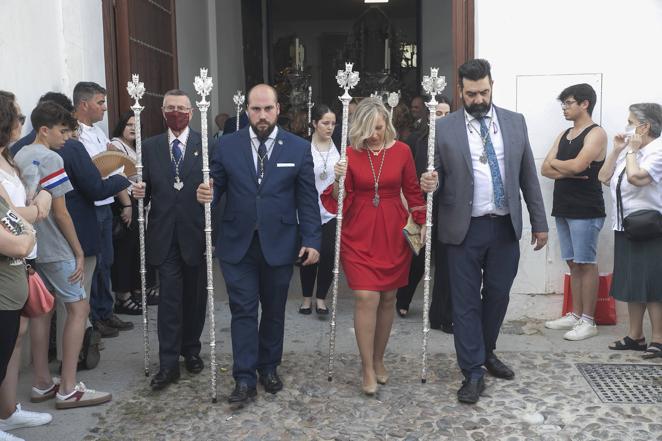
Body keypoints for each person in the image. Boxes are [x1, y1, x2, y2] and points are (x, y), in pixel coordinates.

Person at [420, 59, 548, 404]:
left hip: (504, 227)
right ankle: (473, 371)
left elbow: (527, 177)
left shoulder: (514, 122)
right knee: (464, 304)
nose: (479, 99)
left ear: (492, 86)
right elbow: (434, 177)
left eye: (484, 92)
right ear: (460, 91)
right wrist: (428, 182)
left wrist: (539, 222)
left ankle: (486, 350)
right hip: (463, 230)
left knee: (497, 295)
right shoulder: (444, 128)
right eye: (472, 94)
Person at [196, 84, 321, 406]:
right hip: (237, 244)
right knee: (243, 311)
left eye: (267, 109)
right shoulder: (226, 146)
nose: (262, 115)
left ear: (278, 109)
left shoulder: (297, 148)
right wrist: (205, 195)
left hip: (280, 243)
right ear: (246, 111)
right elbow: (216, 187)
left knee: (275, 311)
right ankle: (244, 377)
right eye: (255, 109)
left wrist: (312, 240)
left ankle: (269, 367)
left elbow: (307, 199)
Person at [322, 97, 426, 396]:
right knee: (366, 296)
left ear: (387, 124)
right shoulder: (351, 155)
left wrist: (421, 221)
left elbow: (413, 192)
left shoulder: (403, 151)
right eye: (367, 130)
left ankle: (379, 358)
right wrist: (339, 181)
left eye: (378, 128)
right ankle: (366, 366)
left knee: (389, 297)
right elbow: (341, 200)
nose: (373, 135)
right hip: (359, 230)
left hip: (393, 230)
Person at [14, 101, 112, 408]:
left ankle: (42, 382)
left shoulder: (19, 154)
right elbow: (61, 212)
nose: (67, 137)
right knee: (78, 310)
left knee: (42, 312)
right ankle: (69, 387)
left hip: (31, 247)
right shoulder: (52, 158)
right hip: (56, 247)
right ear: (45, 130)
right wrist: (79, 252)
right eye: (63, 130)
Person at [132, 90, 208, 391]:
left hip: (195, 233)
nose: (176, 112)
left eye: (181, 108)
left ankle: (191, 349)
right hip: (164, 235)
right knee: (169, 300)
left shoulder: (206, 144)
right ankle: (167, 363)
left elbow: (215, 187)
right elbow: (146, 191)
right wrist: (137, 193)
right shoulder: (149, 148)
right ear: (163, 112)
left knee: (195, 297)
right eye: (171, 108)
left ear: (191, 111)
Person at [0, 91, 49, 441]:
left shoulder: (8, 157)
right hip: (9, 258)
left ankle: (7, 412)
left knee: (12, 339)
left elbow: (20, 212)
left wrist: (33, 210)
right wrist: (34, 214)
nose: (21, 121)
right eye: (16, 116)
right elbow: (15, 219)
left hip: (19, 263)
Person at [542, 84, 607, 341]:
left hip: (586, 208)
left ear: (584, 104)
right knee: (572, 262)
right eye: (563, 103)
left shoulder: (596, 133)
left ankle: (588, 321)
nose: (564, 108)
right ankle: (576, 313)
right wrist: (567, 169)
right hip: (564, 205)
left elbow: (579, 165)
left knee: (585, 263)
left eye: (569, 103)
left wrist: (569, 167)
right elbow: (545, 168)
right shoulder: (565, 133)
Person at [598, 103, 662, 359]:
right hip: (626, 226)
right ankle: (635, 335)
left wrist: (633, 152)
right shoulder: (632, 152)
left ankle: (658, 338)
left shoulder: (656, 151)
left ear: (644, 127)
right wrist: (617, 151)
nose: (627, 126)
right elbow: (603, 177)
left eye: (631, 121)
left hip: (650, 227)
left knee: (653, 284)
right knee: (633, 282)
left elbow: (637, 178)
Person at [73, 81, 133, 338]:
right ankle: (95, 318)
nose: (105, 108)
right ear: (83, 104)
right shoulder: (75, 134)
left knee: (107, 261)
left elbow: (111, 167)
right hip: (90, 206)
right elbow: (94, 173)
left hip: (106, 203)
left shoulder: (98, 132)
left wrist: (125, 200)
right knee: (94, 264)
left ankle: (106, 312)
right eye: (100, 102)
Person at [396, 97, 453, 335]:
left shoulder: (455, 141)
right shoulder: (415, 141)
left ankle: (440, 313)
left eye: (446, 113)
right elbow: (406, 177)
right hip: (421, 206)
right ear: (429, 116)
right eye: (438, 113)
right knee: (418, 257)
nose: (442, 118)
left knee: (446, 263)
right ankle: (403, 299)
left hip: (448, 207)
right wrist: (411, 206)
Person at [108, 111, 158, 314]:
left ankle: (139, 289)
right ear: (121, 126)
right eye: (129, 124)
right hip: (124, 203)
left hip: (139, 203)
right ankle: (123, 296)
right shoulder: (115, 145)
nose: (132, 128)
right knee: (125, 252)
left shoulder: (139, 147)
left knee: (139, 249)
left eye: (136, 125)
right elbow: (115, 176)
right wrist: (127, 205)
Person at [298, 104, 339, 316]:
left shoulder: (340, 147)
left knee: (329, 253)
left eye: (333, 123)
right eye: (325, 123)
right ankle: (306, 298)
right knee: (309, 252)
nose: (329, 127)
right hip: (309, 208)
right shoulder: (303, 147)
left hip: (332, 209)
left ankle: (321, 297)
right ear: (314, 123)